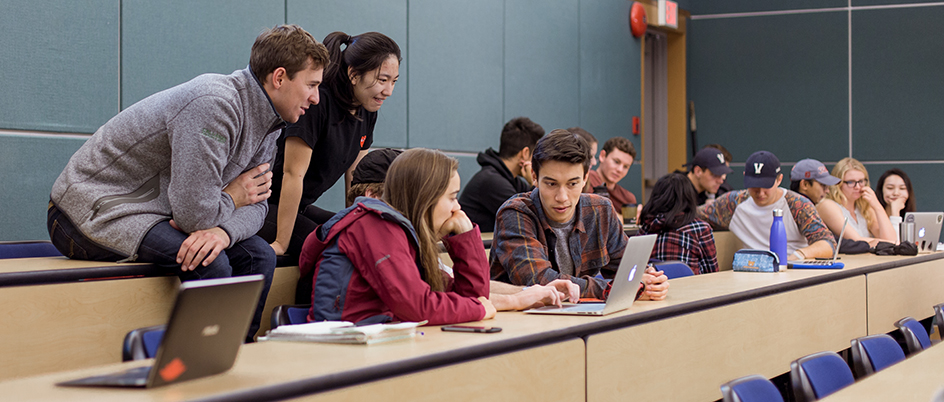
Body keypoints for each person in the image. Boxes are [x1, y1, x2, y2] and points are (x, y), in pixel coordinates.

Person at [47, 25, 329, 341]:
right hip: (90, 210)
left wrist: (224, 231)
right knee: (211, 262)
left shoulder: (270, 122)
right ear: (279, 78)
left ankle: (237, 351)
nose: (316, 98)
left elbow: (259, 204)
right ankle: (200, 366)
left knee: (258, 255)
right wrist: (234, 196)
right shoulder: (214, 103)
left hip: (161, 214)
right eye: (312, 85)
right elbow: (195, 216)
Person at [298, 148, 577, 325]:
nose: (457, 208)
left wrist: (466, 237)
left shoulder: (402, 234)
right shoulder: (374, 226)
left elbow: (472, 295)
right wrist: (486, 308)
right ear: (425, 198)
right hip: (342, 351)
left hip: (379, 341)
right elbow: (417, 305)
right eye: (452, 197)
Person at [261, 31, 401, 265]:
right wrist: (281, 243)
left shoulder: (367, 109)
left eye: (394, 81)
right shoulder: (317, 102)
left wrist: (355, 222)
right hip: (265, 205)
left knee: (356, 236)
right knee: (336, 246)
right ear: (354, 74)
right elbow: (293, 174)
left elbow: (356, 178)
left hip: (301, 207)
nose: (388, 91)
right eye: (382, 80)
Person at [490, 129, 669, 301]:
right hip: (521, 323)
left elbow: (629, 269)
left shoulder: (601, 210)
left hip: (577, 317)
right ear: (534, 177)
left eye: (572, 184)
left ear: (585, 179)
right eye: (551, 184)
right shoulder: (515, 213)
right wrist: (614, 289)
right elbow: (541, 282)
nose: (562, 197)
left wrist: (651, 281)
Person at [698, 151, 836, 260]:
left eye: (766, 186)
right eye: (754, 186)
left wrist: (798, 255)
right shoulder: (733, 202)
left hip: (793, 270)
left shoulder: (797, 204)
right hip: (753, 273)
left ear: (779, 179)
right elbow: (695, 215)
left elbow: (828, 243)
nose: (760, 193)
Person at [460, 117, 545, 232]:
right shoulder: (492, 181)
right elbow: (530, 219)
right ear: (525, 153)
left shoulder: (512, 180)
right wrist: (534, 182)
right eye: (536, 154)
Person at [638, 173, 718, 275]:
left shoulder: (647, 227)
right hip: (692, 289)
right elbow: (713, 272)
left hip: (654, 288)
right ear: (689, 197)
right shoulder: (701, 229)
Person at [817, 157, 897, 246]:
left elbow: (891, 239)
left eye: (861, 181)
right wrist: (889, 243)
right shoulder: (827, 205)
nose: (858, 187)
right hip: (845, 259)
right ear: (838, 184)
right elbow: (857, 241)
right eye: (851, 182)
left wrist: (877, 206)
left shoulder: (864, 207)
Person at [583, 136, 638, 219]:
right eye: (616, 162)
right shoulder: (584, 181)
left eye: (626, 166)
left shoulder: (628, 198)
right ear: (602, 156)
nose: (620, 169)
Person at [876, 168, 916, 243]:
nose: (896, 193)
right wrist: (895, 213)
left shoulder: (911, 219)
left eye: (902, 188)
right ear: (881, 191)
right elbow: (893, 244)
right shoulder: (872, 217)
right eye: (890, 188)